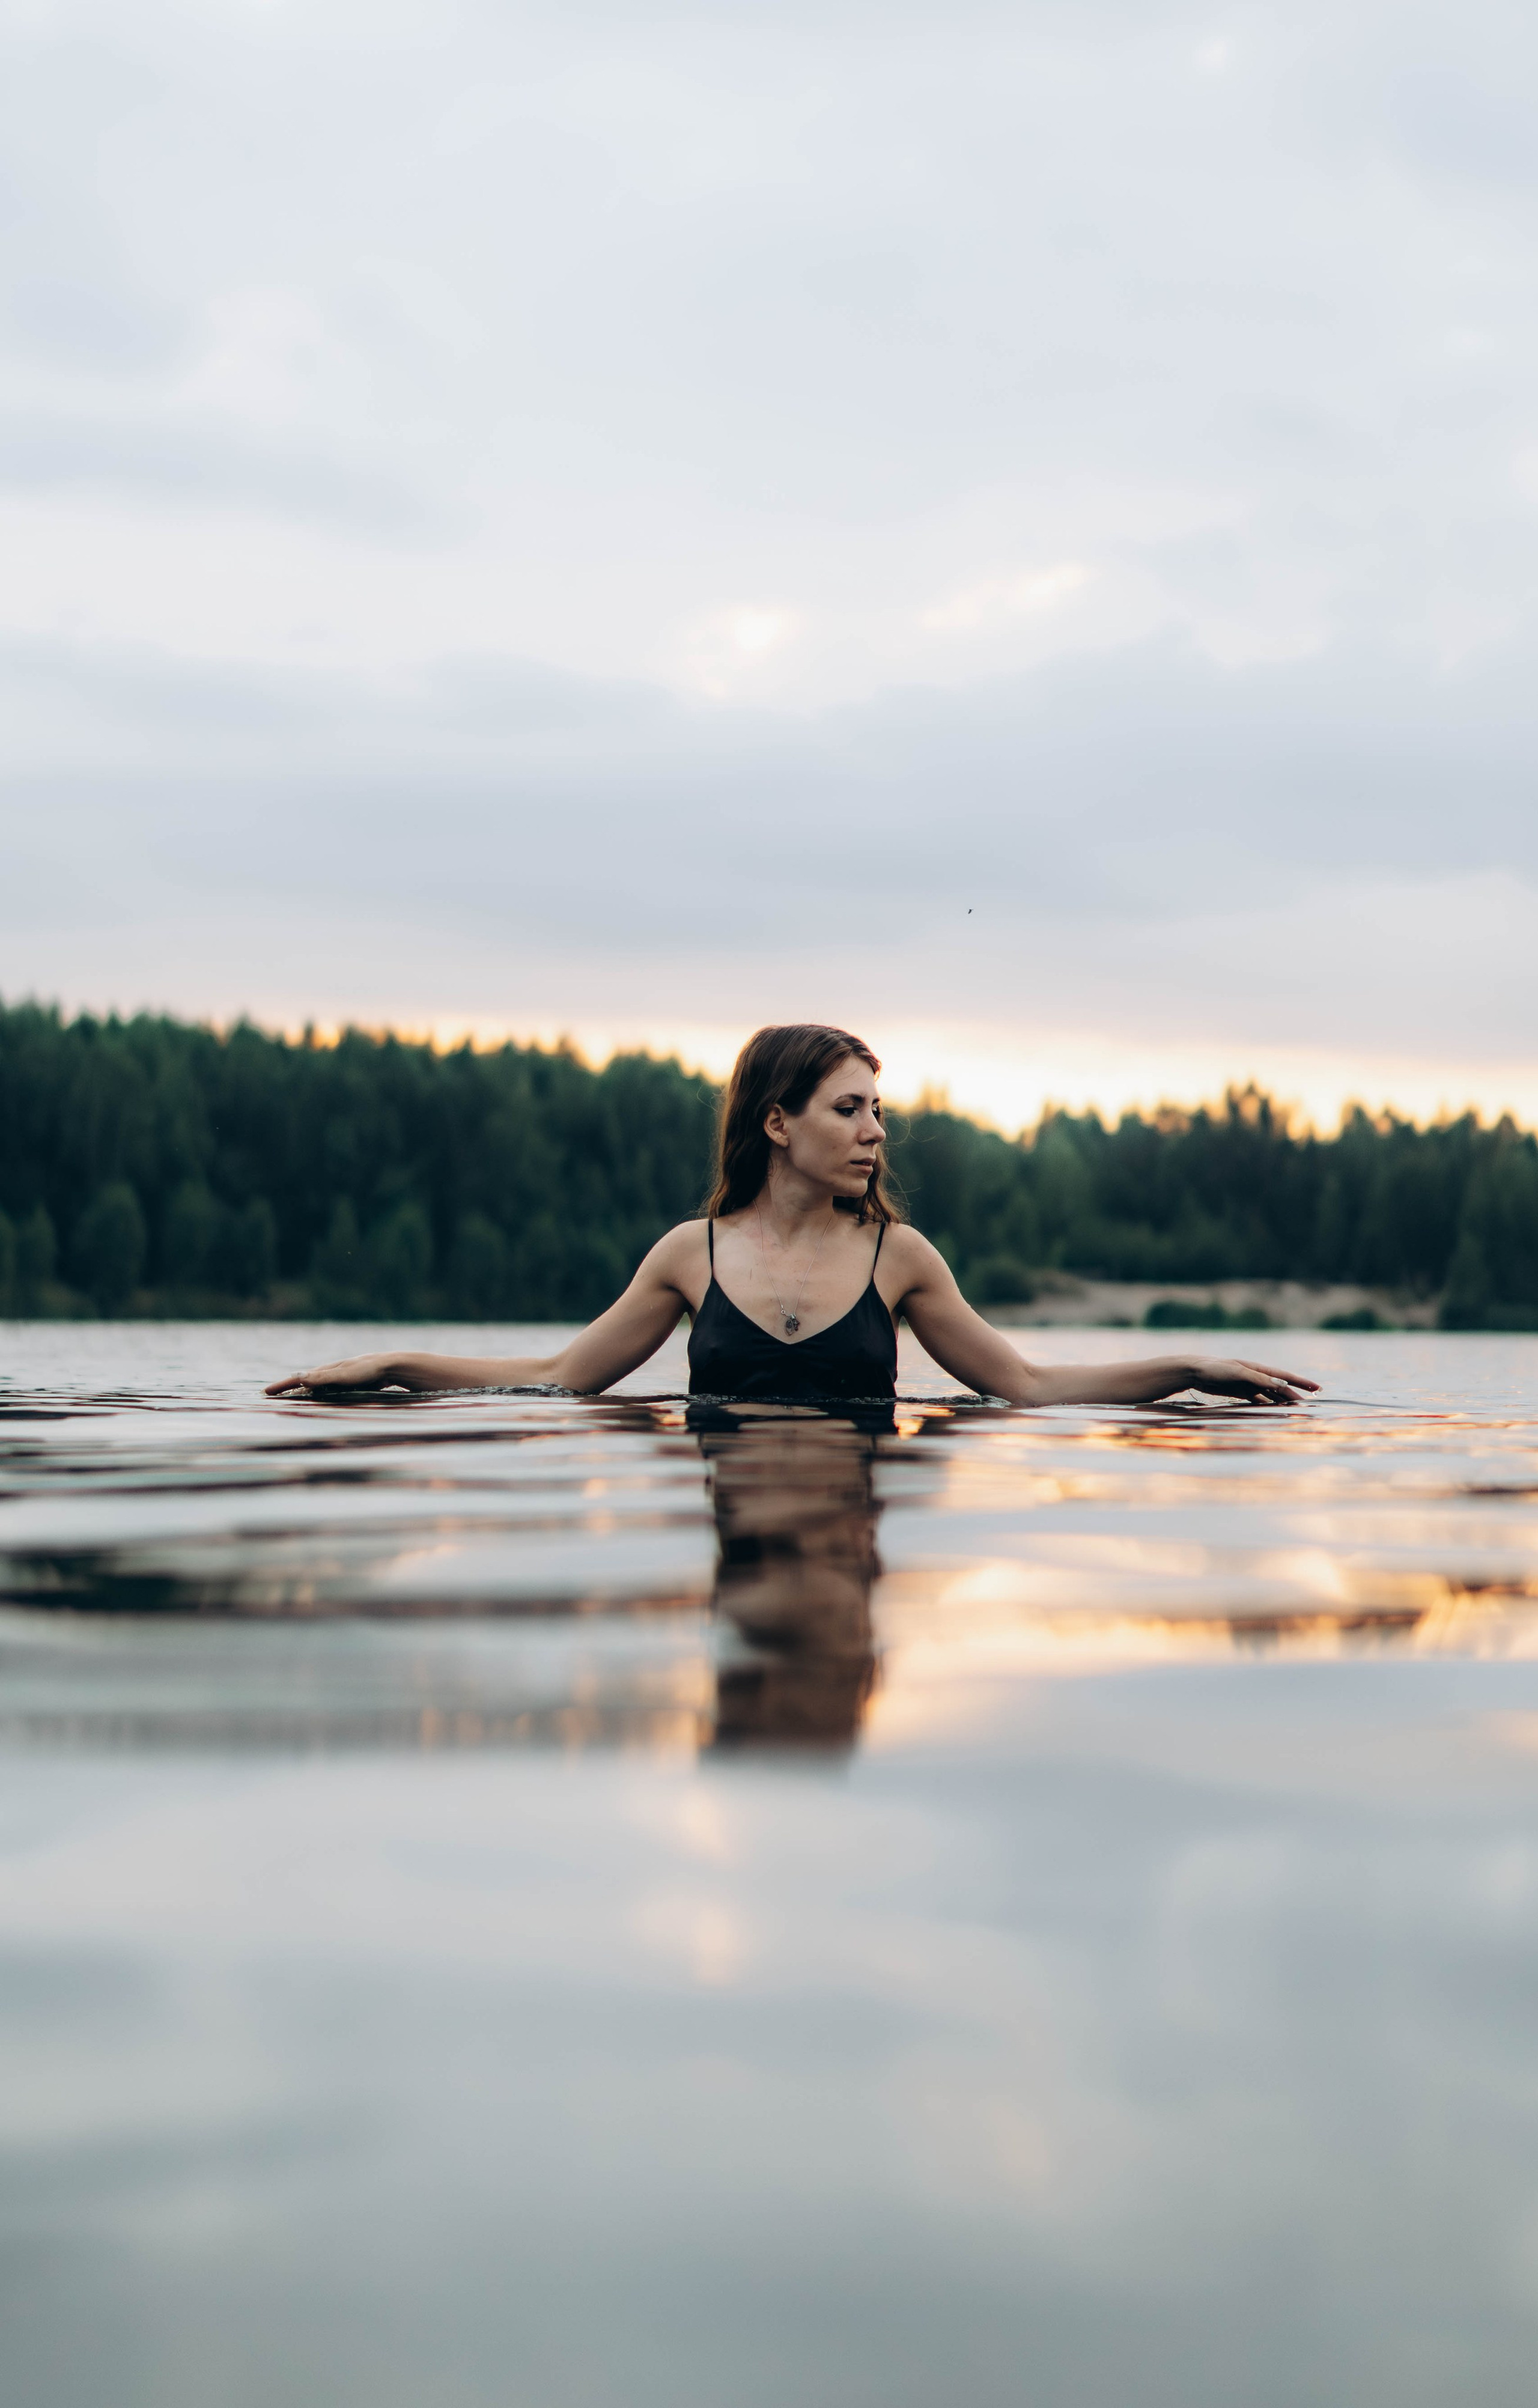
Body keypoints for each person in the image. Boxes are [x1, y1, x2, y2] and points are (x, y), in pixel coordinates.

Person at [265, 1023, 1320, 1409]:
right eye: (848, 1110)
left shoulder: (901, 1260)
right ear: (778, 1123)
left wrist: (1185, 1368)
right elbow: (556, 1380)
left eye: (878, 1111)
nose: (875, 1134)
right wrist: (395, 1367)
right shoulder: (690, 1255)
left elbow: (1030, 1386)